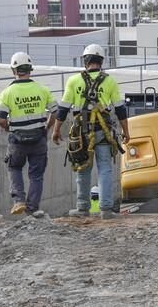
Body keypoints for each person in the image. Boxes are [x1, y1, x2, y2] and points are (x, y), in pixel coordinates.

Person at [52, 44, 130, 220]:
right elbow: (120, 109)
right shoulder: (109, 81)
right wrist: (126, 131)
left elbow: (62, 110)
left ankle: (82, 208)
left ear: (85, 60)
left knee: (82, 168)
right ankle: (106, 210)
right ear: (101, 61)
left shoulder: (73, 81)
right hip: (103, 131)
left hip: (81, 133)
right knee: (105, 169)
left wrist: (56, 131)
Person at [0, 52, 57, 215]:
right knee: (36, 176)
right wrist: (47, 128)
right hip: (39, 138)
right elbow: (56, 112)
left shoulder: (7, 93)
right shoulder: (42, 90)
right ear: (30, 69)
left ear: (13, 70)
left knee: (14, 168)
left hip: (17, 140)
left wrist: (11, 128)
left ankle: (19, 201)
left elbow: (1, 121)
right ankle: (32, 209)